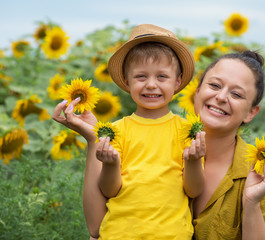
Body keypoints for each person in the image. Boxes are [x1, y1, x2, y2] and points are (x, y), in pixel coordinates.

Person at [52, 24, 205, 239]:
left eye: (162, 77)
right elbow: (109, 190)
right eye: (141, 77)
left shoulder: (186, 130)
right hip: (119, 233)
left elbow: (193, 190)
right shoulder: (115, 131)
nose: (151, 85)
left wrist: (193, 160)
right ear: (127, 81)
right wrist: (111, 164)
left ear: (177, 81)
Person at [191, 51, 265, 239]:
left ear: (251, 113)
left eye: (236, 94)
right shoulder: (162, 145)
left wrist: (252, 202)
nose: (221, 97)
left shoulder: (259, 173)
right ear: (197, 92)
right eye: (214, 85)